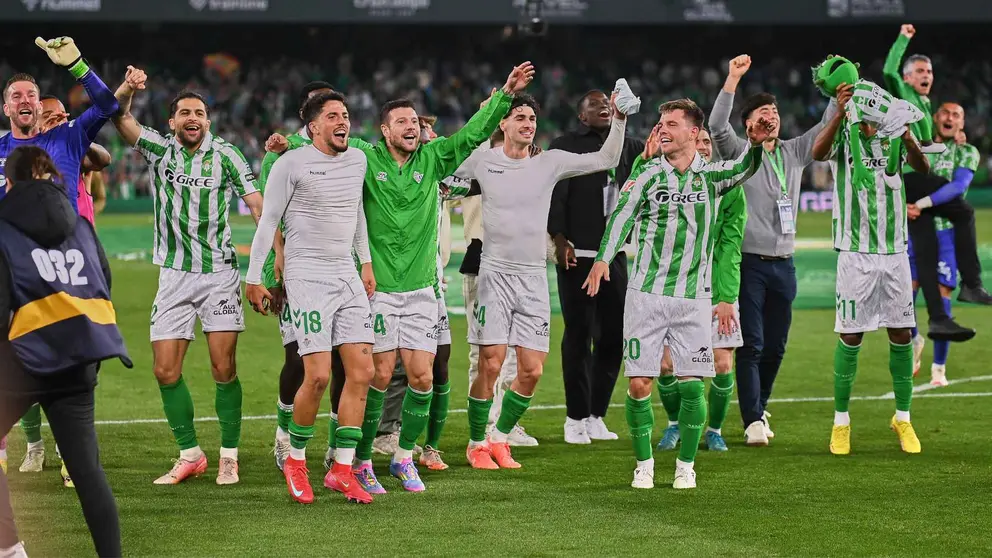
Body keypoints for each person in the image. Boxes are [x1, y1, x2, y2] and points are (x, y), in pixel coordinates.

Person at [346, 62, 532, 493]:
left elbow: (470, 134)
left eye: (414, 121)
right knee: (379, 375)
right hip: (378, 290)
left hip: (422, 291)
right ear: (384, 131)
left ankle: (403, 457)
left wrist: (504, 95)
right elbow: (325, 141)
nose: (411, 127)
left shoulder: (431, 159)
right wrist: (288, 143)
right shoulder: (364, 157)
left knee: (423, 377)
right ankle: (361, 460)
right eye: (402, 122)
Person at [586, 98, 771, 490]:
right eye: (661, 123)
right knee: (639, 384)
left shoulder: (712, 176)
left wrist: (755, 145)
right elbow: (622, 214)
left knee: (692, 385)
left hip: (693, 298)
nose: (662, 130)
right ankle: (644, 465)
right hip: (646, 295)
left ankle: (686, 466)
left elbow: (744, 167)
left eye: (671, 123)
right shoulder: (648, 174)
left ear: (693, 131)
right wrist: (603, 258)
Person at [453, 89, 629, 469]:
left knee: (531, 370)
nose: (528, 124)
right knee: (490, 364)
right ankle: (477, 442)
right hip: (494, 275)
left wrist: (619, 118)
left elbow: (606, 158)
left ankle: (499, 438)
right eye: (519, 117)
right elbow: (446, 173)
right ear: (503, 124)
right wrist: (483, 114)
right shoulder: (484, 161)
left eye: (532, 119)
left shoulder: (549, 162)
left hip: (533, 278)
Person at [111, 65, 263, 486]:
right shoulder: (160, 150)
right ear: (172, 121)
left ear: (208, 121)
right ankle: (191, 454)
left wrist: (267, 263)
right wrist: (127, 89)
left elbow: (257, 206)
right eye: (184, 113)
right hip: (174, 276)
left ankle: (229, 456)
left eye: (199, 113)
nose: (192, 118)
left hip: (219, 275)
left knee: (223, 368)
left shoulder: (228, 155)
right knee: (165, 371)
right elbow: (120, 116)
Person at [246, 91, 377, 505]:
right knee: (317, 375)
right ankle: (296, 461)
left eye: (346, 115)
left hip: (346, 274)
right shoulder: (290, 163)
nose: (343, 122)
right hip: (306, 277)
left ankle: (341, 470)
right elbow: (268, 222)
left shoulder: (358, 160)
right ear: (314, 126)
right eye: (333, 116)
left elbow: (356, 213)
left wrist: (365, 262)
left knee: (362, 372)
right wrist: (254, 278)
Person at [0, 145, 131, 557]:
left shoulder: (3, 227)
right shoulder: (81, 225)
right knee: (87, 472)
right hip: (78, 360)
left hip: (21, 364)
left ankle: (9, 547)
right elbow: (103, 282)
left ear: (9, 182)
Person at [709, 54, 835, 445]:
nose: (771, 117)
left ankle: (759, 408)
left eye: (775, 112)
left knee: (776, 347)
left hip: (785, 264)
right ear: (748, 123)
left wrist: (838, 96)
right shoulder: (737, 151)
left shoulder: (792, 153)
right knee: (752, 344)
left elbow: (824, 128)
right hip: (749, 263)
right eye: (763, 113)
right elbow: (716, 125)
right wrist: (732, 79)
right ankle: (751, 420)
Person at [812, 83, 925, 456]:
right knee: (851, 336)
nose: (868, 122)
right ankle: (841, 422)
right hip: (855, 253)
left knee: (901, 334)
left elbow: (922, 167)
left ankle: (903, 417)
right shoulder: (845, 137)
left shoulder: (893, 134)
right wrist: (839, 113)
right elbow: (817, 152)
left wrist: (906, 136)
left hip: (894, 251)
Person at [14, 94, 113, 489]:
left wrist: (78, 134)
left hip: (79, 265)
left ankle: (71, 451)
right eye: (49, 115)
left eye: (62, 115)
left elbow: (102, 159)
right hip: (32, 266)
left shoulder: (75, 152)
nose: (57, 120)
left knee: (80, 359)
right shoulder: (22, 161)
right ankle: (34, 444)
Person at [547, 89, 645, 445]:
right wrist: (559, 238)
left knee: (614, 337)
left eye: (607, 103)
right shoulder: (566, 145)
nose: (603, 107)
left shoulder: (631, 146)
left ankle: (596, 414)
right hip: (577, 255)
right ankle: (575, 418)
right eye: (594, 105)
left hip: (614, 255)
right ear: (581, 116)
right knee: (579, 335)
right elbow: (555, 194)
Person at [884, 24, 992, 339]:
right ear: (907, 78)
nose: (926, 75)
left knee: (926, 252)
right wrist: (903, 38)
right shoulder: (903, 92)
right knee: (964, 211)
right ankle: (971, 283)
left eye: (929, 71)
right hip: (911, 176)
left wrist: (955, 138)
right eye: (920, 71)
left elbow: (929, 140)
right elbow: (889, 70)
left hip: (910, 181)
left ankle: (938, 319)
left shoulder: (925, 104)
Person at [258, 80, 335, 471]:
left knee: (343, 361)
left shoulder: (348, 150)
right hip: (296, 268)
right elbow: (268, 211)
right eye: (316, 103)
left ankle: (338, 445)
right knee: (298, 356)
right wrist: (279, 253)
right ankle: (284, 436)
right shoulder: (281, 152)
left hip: (339, 269)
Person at [655, 127, 745, 453]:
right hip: (673, 289)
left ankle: (714, 431)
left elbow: (730, 246)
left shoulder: (729, 188)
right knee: (666, 366)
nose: (704, 147)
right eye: (698, 141)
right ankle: (675, 424)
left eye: (708, 142)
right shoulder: (667, 183)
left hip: (715, 289)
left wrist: (727, 297)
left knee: (722, 364)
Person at [456, 127, 538, 447]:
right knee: (484, 353)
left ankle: (506, 423)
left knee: (517, 353)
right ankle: (487, 424)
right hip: (482, 263)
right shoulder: (478, 168)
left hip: (520, 266)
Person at [907, 102, 981, 387]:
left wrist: (921, 204)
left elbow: (957, 187)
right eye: (945, 114)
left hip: (946, 233)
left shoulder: (966, 151)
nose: (950, 118)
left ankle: (939, 369)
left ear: (962, 124)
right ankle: (914, 339)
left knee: (941, 295)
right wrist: (905, 205)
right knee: (904, 295)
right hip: (913, 230)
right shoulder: (917, 146)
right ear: (934, 118)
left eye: (957, 115)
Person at [0, 36, 119, 210]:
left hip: (62, 228)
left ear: (39, 106)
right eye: (16, 96)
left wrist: (78, 66)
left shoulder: (66, 136)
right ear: (6, 109)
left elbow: (108, 106)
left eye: (31, 95)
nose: (24, 100)